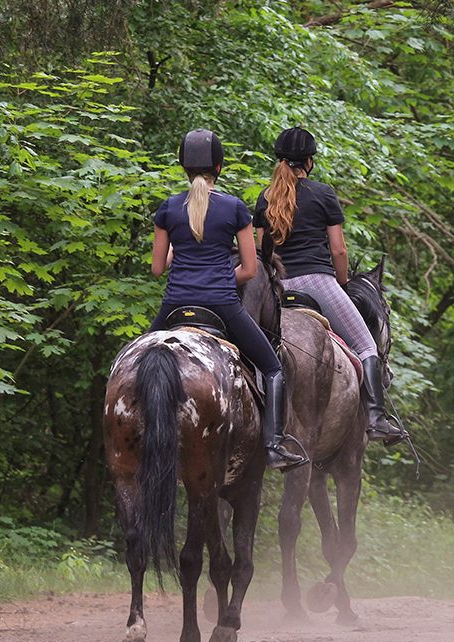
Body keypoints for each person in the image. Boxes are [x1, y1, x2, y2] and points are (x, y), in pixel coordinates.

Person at [148, 128, 309, 472]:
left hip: (174, 304)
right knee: (273, 367)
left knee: (136, 360)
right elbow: (250, 270)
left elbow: (158, 268)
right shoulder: (235, 208)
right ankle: (274, 445)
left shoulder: (168, 209)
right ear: (218, 168)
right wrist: (219, 279)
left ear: (183, 168)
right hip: (221, 305)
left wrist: (182, 252)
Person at [253, 126, 406, 444]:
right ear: (308, 161)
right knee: (365, 346)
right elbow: (339, 249)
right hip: (317, 282)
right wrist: (341, 282)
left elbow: (263, 254)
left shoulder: (265, 198)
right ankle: (376, 419)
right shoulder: (323, 194)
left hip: (278, 287)